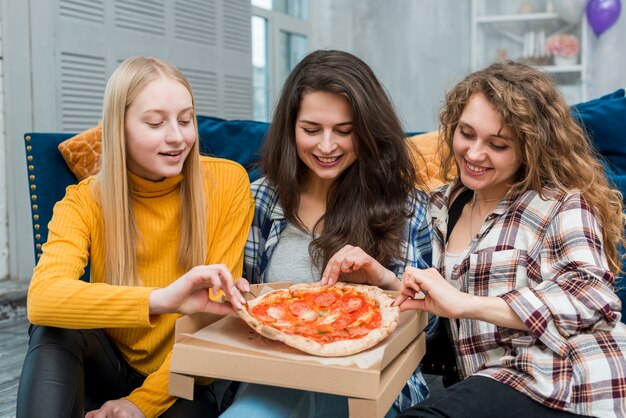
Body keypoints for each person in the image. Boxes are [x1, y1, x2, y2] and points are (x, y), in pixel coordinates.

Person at [16, 56, 254, 418]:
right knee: (54, 329)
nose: (177, 137)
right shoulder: (83, 200)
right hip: (106, 365)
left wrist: (139, 405)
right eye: (155, 123)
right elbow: (43, 298)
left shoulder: (228, 183)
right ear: (119, 128)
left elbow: (213, 318)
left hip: (183, 378)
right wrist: (161, 300)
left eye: (186, 120)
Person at [395, 61, 626, 418]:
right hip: (491, 381)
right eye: (466, 134)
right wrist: (382, 280)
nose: (474, 154)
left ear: (530, 148)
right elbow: (433, 306)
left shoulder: (559, 204)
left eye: (498, 144)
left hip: (573, 379)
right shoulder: (438, 206)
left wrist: (464, 303)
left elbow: (593, 297)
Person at [220, 49, 434, 418]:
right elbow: (244, 304)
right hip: (274, 374)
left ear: (367, 131)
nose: (326, 146)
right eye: (311, 129)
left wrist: (383, 279)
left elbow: (428, 327)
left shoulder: (405, 204)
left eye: (345, 131)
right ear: (289, 129)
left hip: (370, 382)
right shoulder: (260, 198)